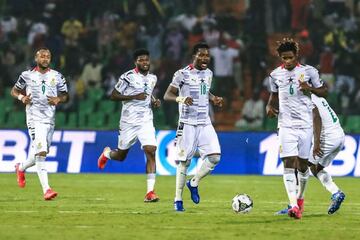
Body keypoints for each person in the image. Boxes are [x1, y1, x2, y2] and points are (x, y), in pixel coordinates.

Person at [266, 38, 327, 219]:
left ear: (296, 55)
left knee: (302, 165)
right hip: (285, 125)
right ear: (280, 57)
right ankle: (293, 205)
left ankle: (300, 199)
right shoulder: (275, 75)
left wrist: (310, 88)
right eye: (284, 58)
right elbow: (273, 96)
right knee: (288, 163)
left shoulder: (309, 72)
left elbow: (325, 91)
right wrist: (269, 107)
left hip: (306, 125)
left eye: (290, 57)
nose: (288, 61)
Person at [163, 42, 224, 212]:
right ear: (194, 56)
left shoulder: (209, 73)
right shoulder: (182, 74)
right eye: (201, 55)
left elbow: (205, 91)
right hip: (187, 123)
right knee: (184, 162)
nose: (205, 58)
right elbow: (167, 94)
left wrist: (213, 98)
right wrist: (181, 99)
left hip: (205, 122)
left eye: (207, 55)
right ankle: (177, 199)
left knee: (215, 157)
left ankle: (194, 182)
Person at [97, 49, 161, 203]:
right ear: (135, 62)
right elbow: (113, 95)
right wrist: (133, 96)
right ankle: (106, 154)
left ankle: (150, 192)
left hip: (146, 120)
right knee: (121, 156)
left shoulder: (153, 78)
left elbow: (148, 93)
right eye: (141, 60)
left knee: (151, 150)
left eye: (147, 59)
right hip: (128, 122)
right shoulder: (127, 77)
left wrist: (153, 101)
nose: (145, 62)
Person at [12, 47, 69, 200]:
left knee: (42, 151)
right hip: (34, 119)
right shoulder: (27, 75)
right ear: (36, 58)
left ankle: (21, 167)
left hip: (49, 119)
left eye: (47, 57)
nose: (45, 59)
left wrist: (58, 99)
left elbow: (65, 95)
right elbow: (14, 91)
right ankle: (47, 190)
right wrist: (22, 98)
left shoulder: (57, 76)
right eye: (42, 56)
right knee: (41, 152)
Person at [276, 94, 346, 215]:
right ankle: (336, 193)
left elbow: (316, 117)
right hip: (339, 136)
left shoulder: (304, 99)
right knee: (315, 168)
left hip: (327, 138)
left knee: (300, 165)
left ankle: (296, 205)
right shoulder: (316, 97)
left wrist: (317, 143)